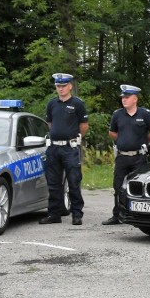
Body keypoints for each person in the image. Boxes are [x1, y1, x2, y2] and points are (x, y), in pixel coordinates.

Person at [104, 85, 150, 225]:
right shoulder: (117, 114)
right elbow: (112, 133)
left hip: (138, 157)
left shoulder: (145, 114)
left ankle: (138, 216)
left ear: (135, 99)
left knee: (138, 186)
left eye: (127, 97)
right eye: (123, 97)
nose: (124, 100)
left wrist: (143, 142)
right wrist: (123, 141)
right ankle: (117, 215)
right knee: (118, 186)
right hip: (122, 156)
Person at [39, 73, 89, 225]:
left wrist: (75, 138)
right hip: (53, 148)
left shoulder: (77, 104)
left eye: (63, 86)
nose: (60, 89)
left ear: (69, 86)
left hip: (70, 148)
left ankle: (76, 214)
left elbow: (84, 125)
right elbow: (50, 123)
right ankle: (54, 214)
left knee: (73, 181)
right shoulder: (52, 104)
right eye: (58, 86)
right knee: (53, 182)